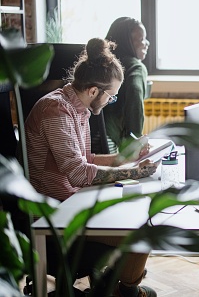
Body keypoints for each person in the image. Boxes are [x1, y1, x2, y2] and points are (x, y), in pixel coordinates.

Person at [25, 38, 158, 297]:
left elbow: (85, 159)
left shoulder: (78, 108)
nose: (112, 101)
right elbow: (77, 172)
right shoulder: (56, 110)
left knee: (141, 216)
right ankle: (123, 291)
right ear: (94, 91)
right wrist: (134, 173)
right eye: (112, 95)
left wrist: (126, 158)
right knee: (142, 231)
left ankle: (119, 288)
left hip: (71, 202)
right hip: (53, 218)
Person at [102, 17, 150, 151]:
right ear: (127, 42)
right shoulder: (135, 67)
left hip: (87, 141)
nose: (147, 43)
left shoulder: (99, 63)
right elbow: (135, 100)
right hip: (112, 144)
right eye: (141, 39)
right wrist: (135, 145)